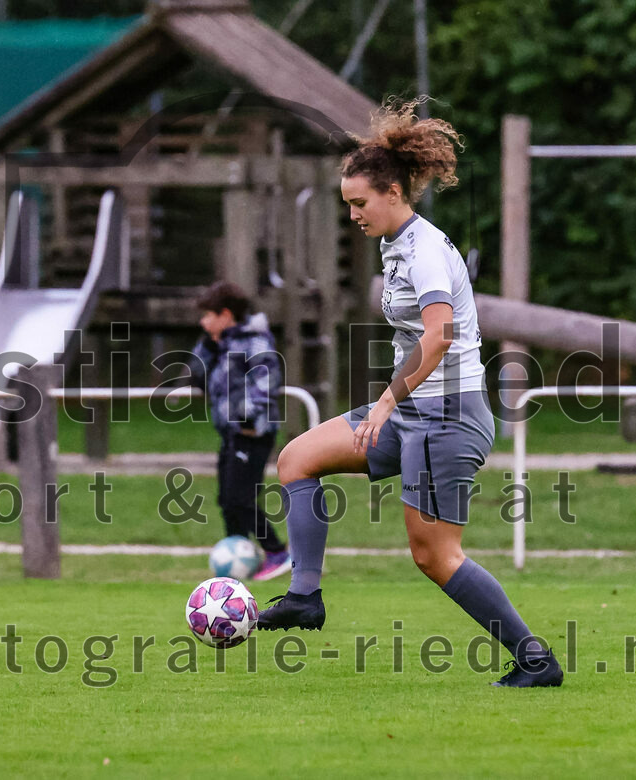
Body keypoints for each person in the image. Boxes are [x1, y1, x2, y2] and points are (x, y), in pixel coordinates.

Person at [256, 98, 563, 688]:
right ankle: (304, 598)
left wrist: (388, 401)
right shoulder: (394, 242)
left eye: (359, 203)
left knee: (434, 556)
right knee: (297, 458)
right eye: (347, 204)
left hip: (448, 417)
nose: (353, 215)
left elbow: (440, 335)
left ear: (394, 193)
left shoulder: (424, 251)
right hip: (414, 409)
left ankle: (535, 659)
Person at [188, 281, 292, 581]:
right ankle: (239, 558)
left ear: (226, 314)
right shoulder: (220, 344)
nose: (203, 321)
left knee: (241, 498)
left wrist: (246, 419)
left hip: (252, 433)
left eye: (208, 315)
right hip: (230, 433)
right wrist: (207, 347)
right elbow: (196, 376)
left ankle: (276, 553)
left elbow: (267, 380)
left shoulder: (254, 341)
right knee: (226, 500)